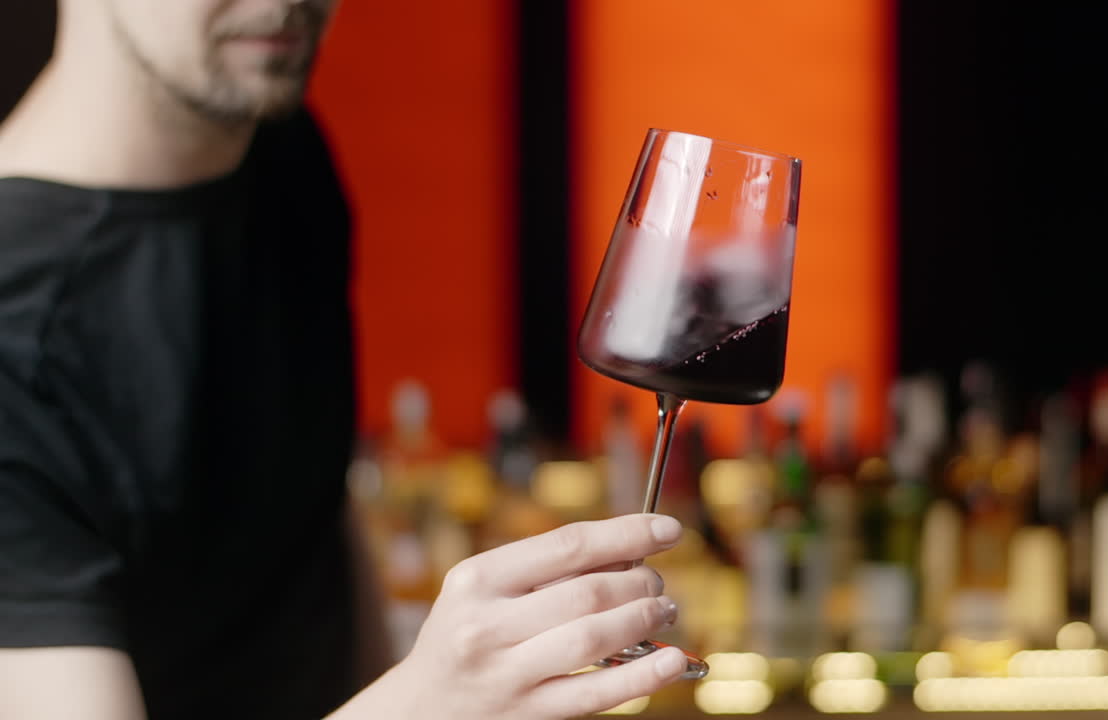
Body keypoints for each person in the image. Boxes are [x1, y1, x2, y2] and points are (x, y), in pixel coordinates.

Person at [0, 1, 689, 718]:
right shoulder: (17, 334)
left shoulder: (278, 147)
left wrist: (408, 681)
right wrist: (432, 697)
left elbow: (312, 517)